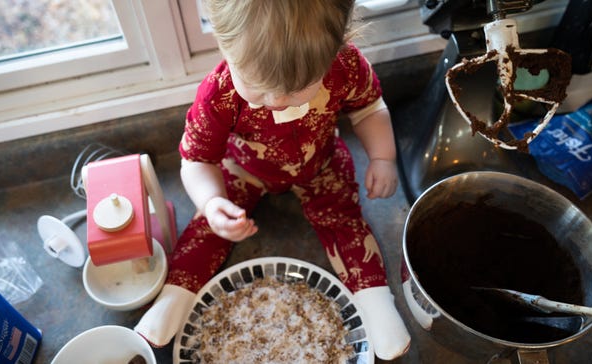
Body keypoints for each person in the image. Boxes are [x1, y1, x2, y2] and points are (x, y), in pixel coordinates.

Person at [135, 0, 411, 360]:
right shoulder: (219, 94)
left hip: (319, 162)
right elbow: (196, 159)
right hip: (244, 169)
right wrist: (211, 201)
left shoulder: (344, 66)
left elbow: (369, 108)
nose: (277, 101)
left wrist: (382, 157)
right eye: (257, 85)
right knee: (211, 224)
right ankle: (176, 292)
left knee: (344, 216)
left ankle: (374, 298)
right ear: (223, 45)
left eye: (298, 88)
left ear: (334, 49)